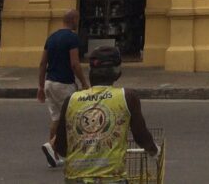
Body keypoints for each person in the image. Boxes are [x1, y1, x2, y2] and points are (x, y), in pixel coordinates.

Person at [55, 45, 158, 182]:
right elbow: (140, 136)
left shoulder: (71, 100)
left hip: (75, 179)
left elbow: (61, 148)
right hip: (112, 179)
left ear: (90, 72)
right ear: (117, 73)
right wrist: (154, 151)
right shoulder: (127, 97)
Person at [38, 9, 89, 167]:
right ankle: (53, 146)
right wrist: (84, 83)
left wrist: (40, 86)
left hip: (49, 83)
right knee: (72, 119)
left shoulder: (51, 37)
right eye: (77, 19)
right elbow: (75, 64)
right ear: (73, 19)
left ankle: (55, 156)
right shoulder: (72, 38)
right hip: (64, 84)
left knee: (56, 118)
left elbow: (42, 63)